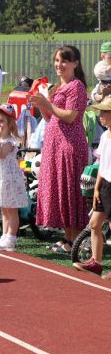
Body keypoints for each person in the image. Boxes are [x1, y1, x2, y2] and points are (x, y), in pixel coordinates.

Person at [28, 45, 89, 253]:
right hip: (56, 144)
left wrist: (47, 102)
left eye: (64, 61)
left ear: (75, 63)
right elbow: (51, 117)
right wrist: (41, 104)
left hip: (69, 146)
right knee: (61, 190)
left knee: (70, 191)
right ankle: (66, 236)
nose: (59, 65)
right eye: (57, 60)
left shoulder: (76, 87)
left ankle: (74, 239)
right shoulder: (60, 87)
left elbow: (70, 116)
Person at [74, 97, 111, 278]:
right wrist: (97, 187)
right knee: (95, 224)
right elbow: (103, 164)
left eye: (104, 111)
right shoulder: (105, 135)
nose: (100, 115)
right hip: (105, 186)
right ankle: (96, 263)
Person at [0, 104, 28, 251]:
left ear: (10, 123)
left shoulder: (9, 142)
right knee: (3, 209)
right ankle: (4, 236)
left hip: (8, 180)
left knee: (11, 210)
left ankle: (11, 238)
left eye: (1, 121)